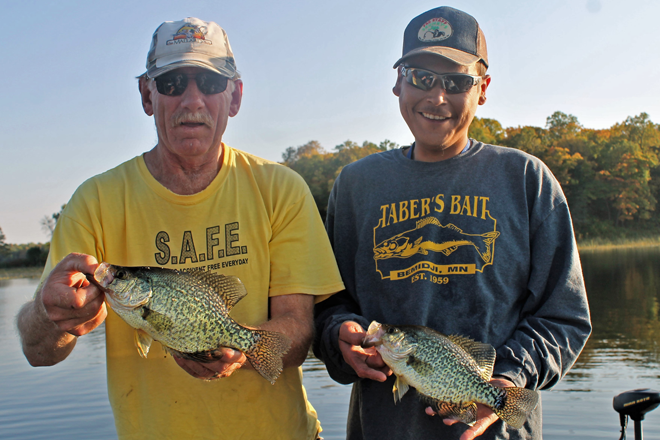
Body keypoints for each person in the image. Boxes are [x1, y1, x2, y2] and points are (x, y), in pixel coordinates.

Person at [17, 17, 344, 440]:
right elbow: (37, 352)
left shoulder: (280, 189)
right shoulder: (94, 202)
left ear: (235, 96)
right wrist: (50, 315)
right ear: (147, 95)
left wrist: (241, 351)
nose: (192, 100)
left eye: (209, 82)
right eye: (172, 83)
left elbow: (297, 332)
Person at [313, 6, 591, 440]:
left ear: (483, 89)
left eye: (457, 82)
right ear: (398, 82)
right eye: (421, 77)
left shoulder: (525, 179)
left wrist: (511, 376)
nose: (436, 97)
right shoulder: (355, 185)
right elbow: (329, 305)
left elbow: (564, 316)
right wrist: (339, 338)